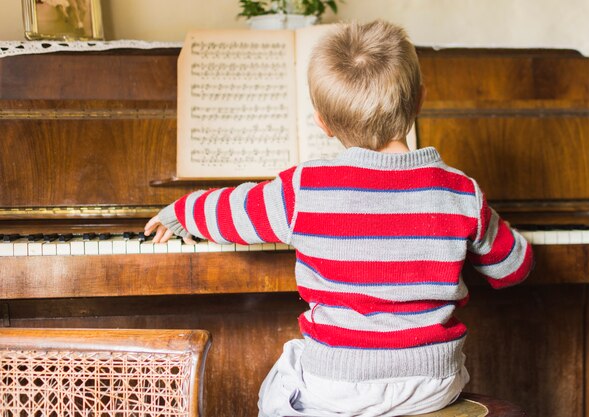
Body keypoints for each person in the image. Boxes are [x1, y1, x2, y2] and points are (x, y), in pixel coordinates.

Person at [145, 20, 534, 417]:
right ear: (420, 100)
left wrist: (181, 211)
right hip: (432, 384)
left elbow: (233, 211)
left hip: (339, 385)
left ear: (323, 124)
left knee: (281, 381)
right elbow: (513, 268)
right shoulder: (460, 191)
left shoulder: (306, 189)